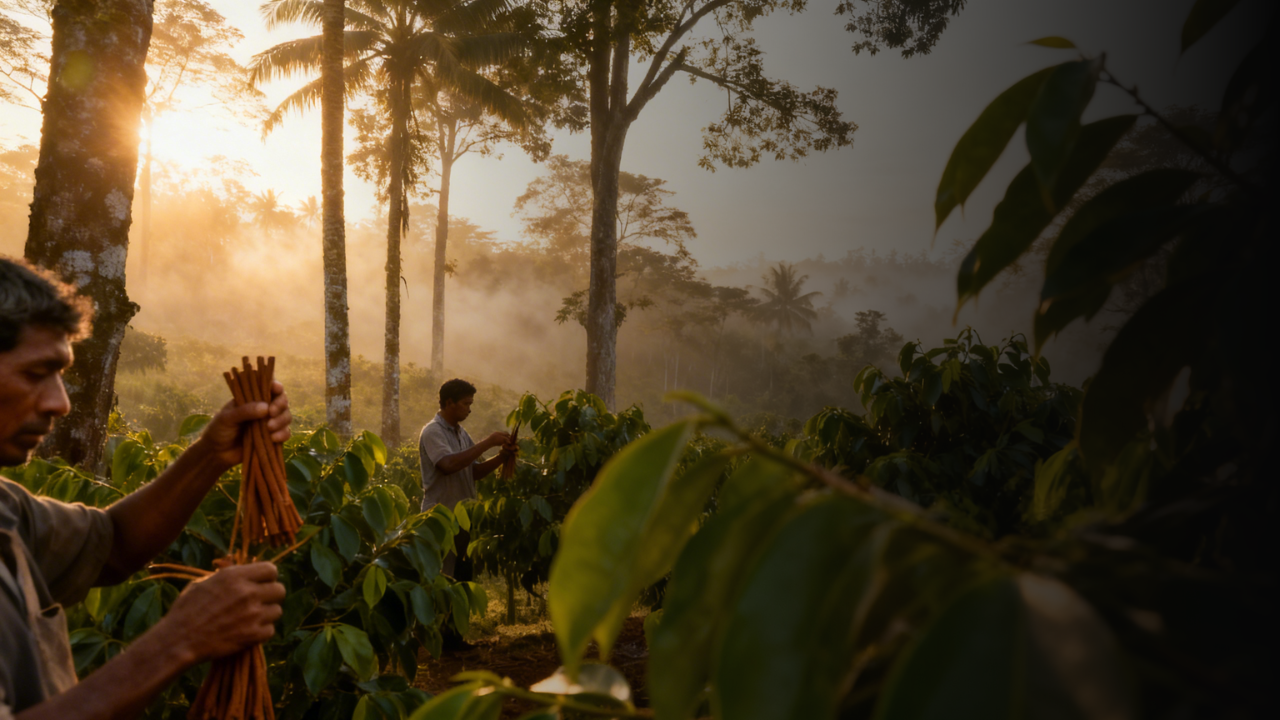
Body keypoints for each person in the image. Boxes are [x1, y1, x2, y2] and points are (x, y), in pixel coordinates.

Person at [0, 257, 292, 719]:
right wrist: (178, 641)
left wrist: (212, 453)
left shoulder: (6, 510)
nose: (60, 402)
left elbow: (111, 544)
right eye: (36, 373)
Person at [418, 378, 517, 584]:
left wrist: (501, 457)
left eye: (470, 404)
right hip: (440, 517)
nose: (469, 410)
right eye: (466, 404)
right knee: (441, 578)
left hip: (463, 519)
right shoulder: (433, 431)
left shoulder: (462, 433)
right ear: (449, 403)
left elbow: (474, 472)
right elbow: (448, 465)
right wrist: (488, 442)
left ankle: (456, 617)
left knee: (461, 578)